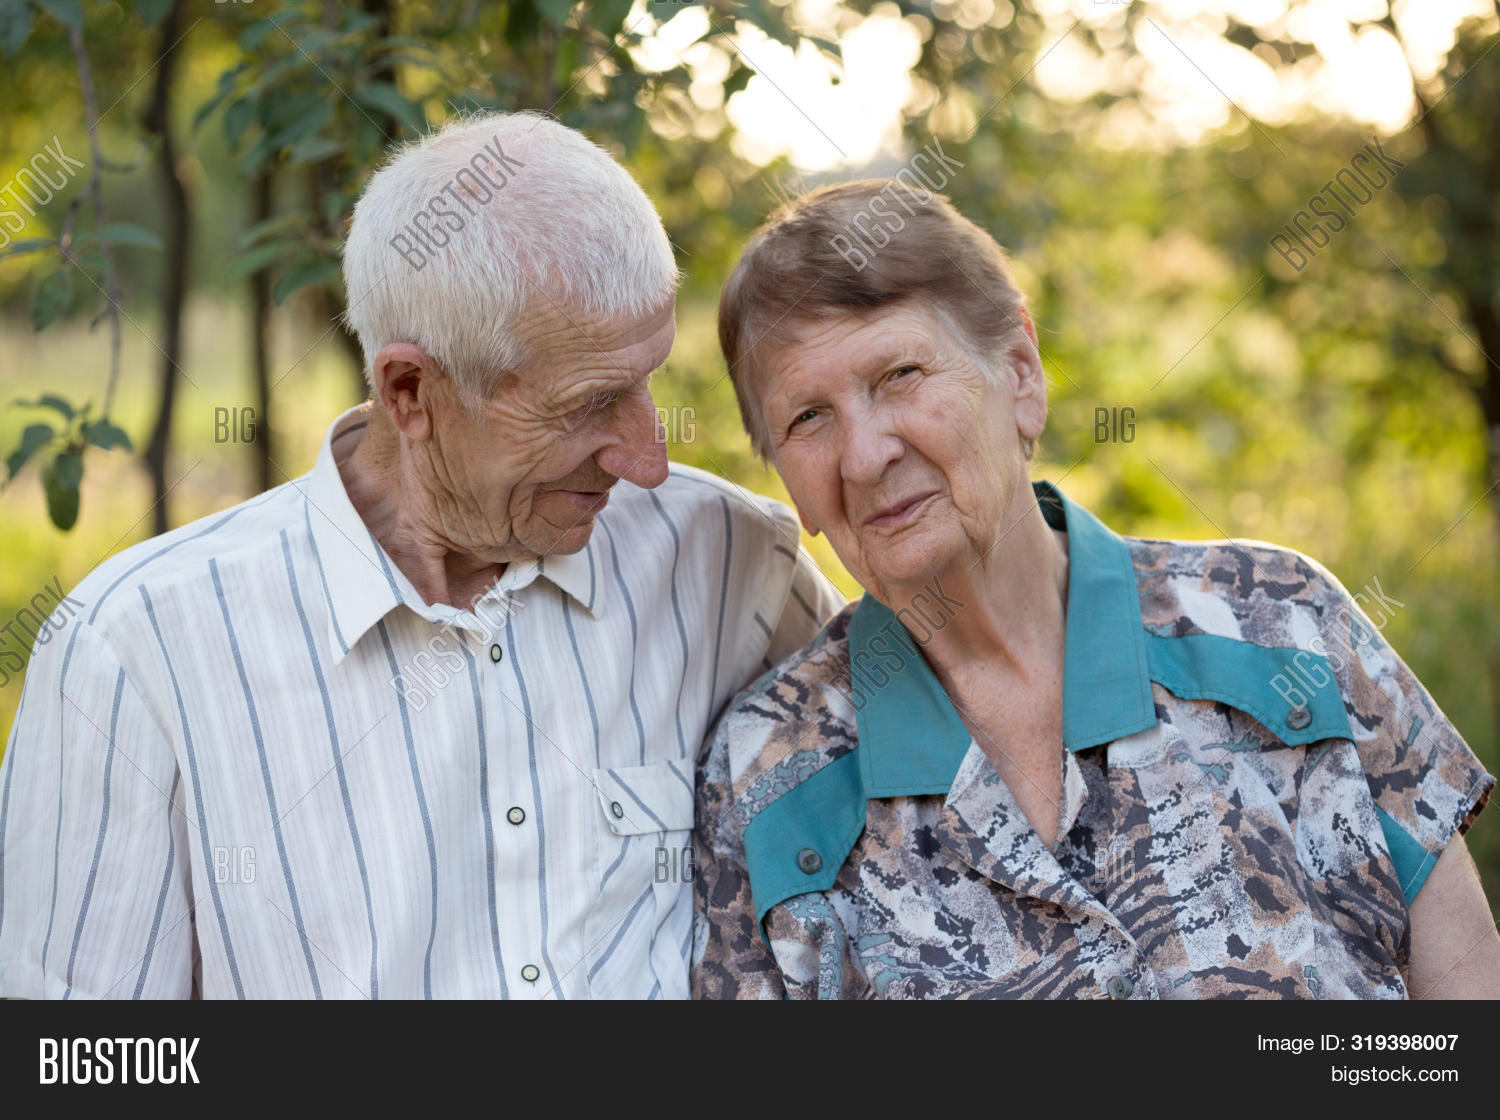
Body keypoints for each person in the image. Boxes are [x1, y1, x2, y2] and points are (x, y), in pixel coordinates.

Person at [0, 111, 842, 999]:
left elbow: (923, 738)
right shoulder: (132, 653)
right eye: (589, 403)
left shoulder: (727, 554)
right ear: (409, 391)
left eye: (647, 381)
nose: (647, 457)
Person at [692, 179, 1500, 999]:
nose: (866, 456)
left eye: (899, 374)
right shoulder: (764, 773)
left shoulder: (1282, 621)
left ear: (1021, 374)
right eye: (807, 418)